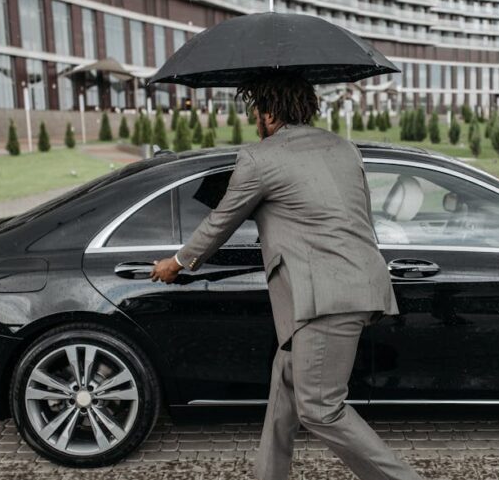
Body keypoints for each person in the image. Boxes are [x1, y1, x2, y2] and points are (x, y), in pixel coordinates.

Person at [150, 71, 424, 480]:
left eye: (254, 111)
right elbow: (354, 217)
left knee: (321, 409)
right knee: (286, 390)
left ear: (268, 113)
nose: (253, 120)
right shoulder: (344, 148)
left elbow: (222, 219)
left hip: (321, 297)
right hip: (352, 285)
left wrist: (178, 261)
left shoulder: (260, 157)